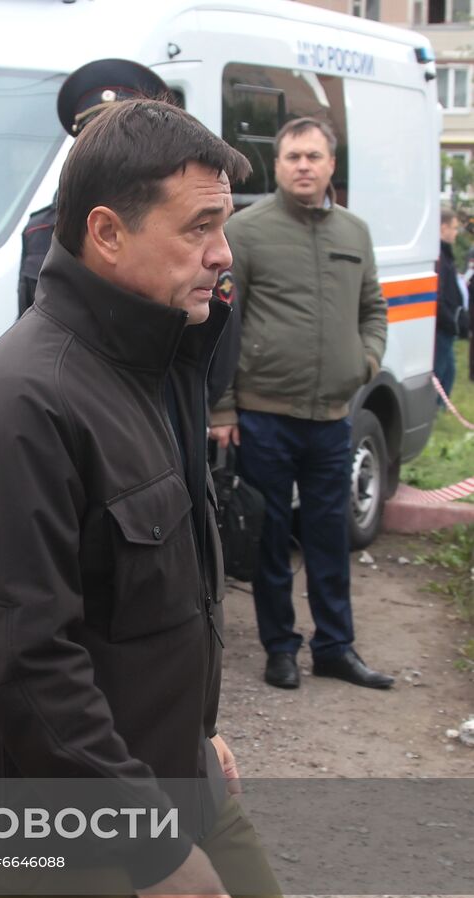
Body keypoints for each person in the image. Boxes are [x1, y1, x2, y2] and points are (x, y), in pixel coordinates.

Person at [0, 98, 319, 898]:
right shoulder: (15, 405)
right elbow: (28, 661)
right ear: (106, 232)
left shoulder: (163, 359)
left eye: (224, 224)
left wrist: (192, 726)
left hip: (164, 771)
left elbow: (155, 590)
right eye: (201, 227)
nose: (224, 253)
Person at [210, 117, 394, 691]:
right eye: (292, 157)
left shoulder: (355, 233)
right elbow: (223, 323)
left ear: (331, 164)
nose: (303, 166)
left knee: (329, 538)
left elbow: (375, 308)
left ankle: (335, 648)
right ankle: (280, 648)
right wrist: (223, 409)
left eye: (313, 156)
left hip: (333, 419)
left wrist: (364, 362)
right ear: (278, 164)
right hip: (265, 416)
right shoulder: (248, 231)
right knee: (268, 539)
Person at [18, 59, 240, 408]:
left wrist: (195, 407)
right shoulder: (27, 398)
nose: (221, 253)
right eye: (101, 137)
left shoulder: (200, 225)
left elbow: (215, 338)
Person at [435, 206, 461, 399]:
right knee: (440, 368)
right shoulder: (439, 257)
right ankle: (435, 405)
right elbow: (440, 294)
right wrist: (450, 320)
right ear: (443, 227)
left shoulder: (446, 254)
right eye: (454, 227)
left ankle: (441, 407)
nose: (456, 232)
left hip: (449, 324)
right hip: (443, 324)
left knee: (449, 369)